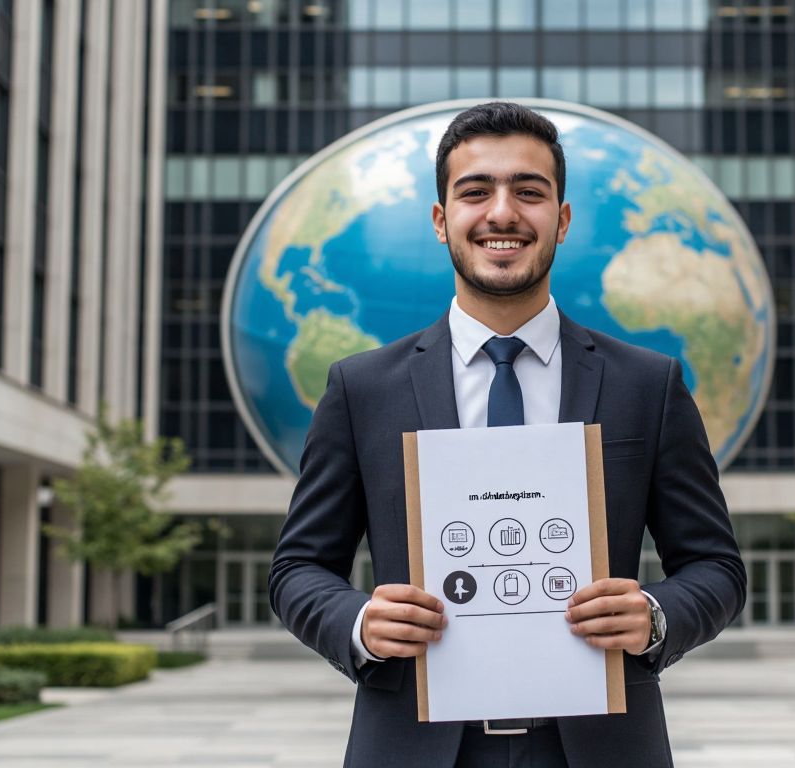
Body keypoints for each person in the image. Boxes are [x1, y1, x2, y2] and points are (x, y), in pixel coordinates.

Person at [270, 102, 746, 768]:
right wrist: (359, 624)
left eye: (529, 191)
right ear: (442, 222)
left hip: (602, 748)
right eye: (475, 192)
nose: (502, 213)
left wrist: (655, 613)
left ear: (563, 218)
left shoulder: (648, 384)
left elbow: (716, 568)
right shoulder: (362, 390)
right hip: (413, 746)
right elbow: (297, 570)